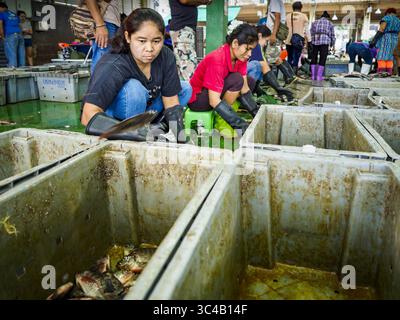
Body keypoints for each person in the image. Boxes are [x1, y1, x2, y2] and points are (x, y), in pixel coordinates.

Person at [81, 8, 192, 143]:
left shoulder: (166, 56)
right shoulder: (113, 64)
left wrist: (180, 140)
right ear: (128, 37)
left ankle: (154, 128)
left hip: (146, 111)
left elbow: (172, 103)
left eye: (156, 41)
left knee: (185, 88)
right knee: (134, 89)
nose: (150, 48)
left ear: (163, 37)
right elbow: (87, 116)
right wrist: (134, 132)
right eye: (141, 41)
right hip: (116, 119)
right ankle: (135, 136)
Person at [188, 23, 259, 136]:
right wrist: (241, 125)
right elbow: (213, 100)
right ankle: (221, 122)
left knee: (249, 81)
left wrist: (257, 114)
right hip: (198, 99)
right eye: (248, 49)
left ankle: (230, 115)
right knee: (237, 79)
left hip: (214, 94)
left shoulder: (240, 58)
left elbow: (245, 88)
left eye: (252, 50)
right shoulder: (217, 59)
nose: (250, 54)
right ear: (235, 43)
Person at [168, 0, 212, 81]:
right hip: (182, 29)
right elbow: (184, 0)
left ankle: (185, 91)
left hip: (184, 30)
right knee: (188, 68)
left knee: (183, 66)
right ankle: (192, 91)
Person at [247, 25, 293, 101]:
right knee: (257, 65)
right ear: (260, 35)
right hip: (238, 77)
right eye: (266, 40)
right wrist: (278, 88)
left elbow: (265, 67)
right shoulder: (255, 45)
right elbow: (263, 66)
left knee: (261, 66)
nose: (265, 44)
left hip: (242, 75)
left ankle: (254, 90)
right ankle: (247, 95)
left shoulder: (257, 46)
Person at [264, 0, 296, 86]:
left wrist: (273, 34)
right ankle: (290, 76)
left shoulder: (274, 1)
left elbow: (277, 17)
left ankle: (285, 78)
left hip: (274, 34)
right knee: (275, 57)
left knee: (272, 59)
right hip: (276, 34)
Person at [87, 0, 121, 73]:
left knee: (109, 63)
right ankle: (98, 84)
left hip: (110, 23)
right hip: (105, 23)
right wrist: (100, 24)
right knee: (103, 63)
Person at [369, 8, 400, 75]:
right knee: (390, 57)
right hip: (395, 39)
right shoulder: (398, 20)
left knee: (382, 56)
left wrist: (374, 40)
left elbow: (382, 28)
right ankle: (388, 73)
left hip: (386, 38)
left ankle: (381, 73)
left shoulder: (387, 17)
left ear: (388, 13)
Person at [285, 1, 310, 73]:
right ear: (301, 8)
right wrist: (309, 40)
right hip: (298, 41)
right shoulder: (304, 16)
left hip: (288, 40)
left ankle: (288, 75)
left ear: (293, 8)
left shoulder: (288, 16)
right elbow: (307, 30)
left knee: (290, 58)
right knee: (296, 59)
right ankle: (294, 74)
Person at [310, 11, 335, 81]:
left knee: (314, 57)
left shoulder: (314, 22)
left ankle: (313, 76)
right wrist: (332, 44)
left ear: (321, 17)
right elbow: (332, 35)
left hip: (315, 41)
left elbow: (311, 33)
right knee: (322, 58)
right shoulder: (330, 23)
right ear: (327, 18)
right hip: (325, 41)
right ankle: (319, 76)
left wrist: (311, 42)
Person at [0, 2, 25, 67]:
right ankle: (22, 68)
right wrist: (20, 35)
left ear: (1, 7)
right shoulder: (14, 14)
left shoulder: (1, 13)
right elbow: (20, 26)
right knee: (21, 54)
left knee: (11, 54)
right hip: (20, 35)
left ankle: (13, 70)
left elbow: (0, 24)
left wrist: (2, 36)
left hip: (10, 35)